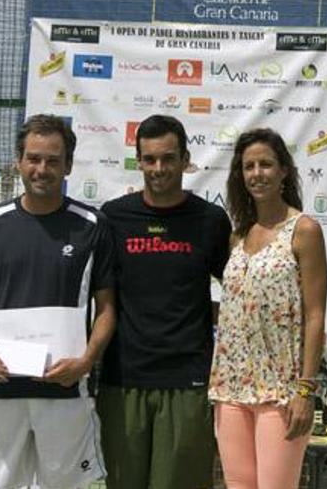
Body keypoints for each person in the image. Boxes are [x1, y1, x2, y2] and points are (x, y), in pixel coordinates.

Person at [0, 114, 115, 489]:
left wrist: (86, 361)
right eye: (34, 158)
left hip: (66, 391)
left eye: (53, 160)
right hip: (1, 388)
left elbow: (106, 308)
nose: (42, 169)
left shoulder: (92, 224)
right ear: (19, 161)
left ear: (68, 165)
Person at [99, 114, 231, 489]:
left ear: (185, 159)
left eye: (168, 158)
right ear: (138, 160)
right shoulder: (113, 216)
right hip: (122, 380)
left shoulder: (210, 219)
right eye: (150, 159)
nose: (159, 168)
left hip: (188, 381)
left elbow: (239, 292)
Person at [209, 127, 327, 489]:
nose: (256, 173)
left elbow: (315, 315)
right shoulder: (238, 236)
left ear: (283, 172)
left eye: (265, 164)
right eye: (248, 166)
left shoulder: (303, 230)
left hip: (282, 391)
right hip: (231, 388)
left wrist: (306, 391)